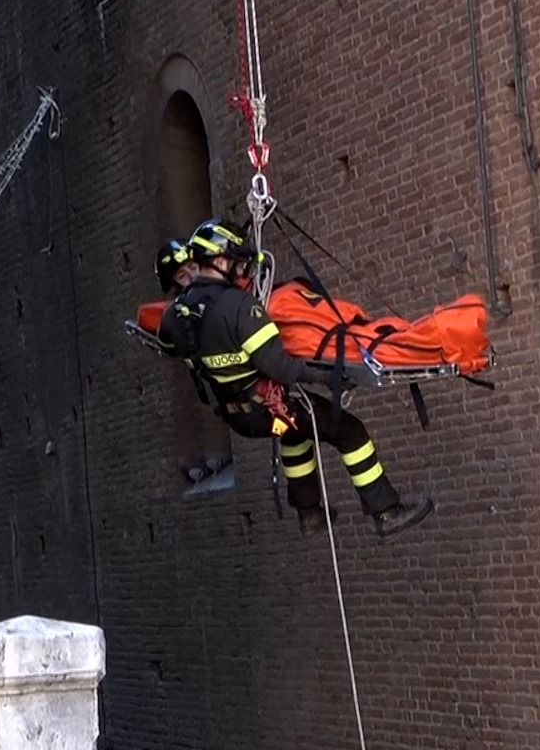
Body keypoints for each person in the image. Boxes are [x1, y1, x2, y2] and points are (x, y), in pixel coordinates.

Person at [154, 219, 434, 538]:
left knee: (292, 433)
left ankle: (309, 513)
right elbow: (281, 368)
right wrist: (330, 377)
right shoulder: (240, 306)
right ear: (219, 261)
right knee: (349, 431)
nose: (242, 272)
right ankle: (386, 512)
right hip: (270, 409)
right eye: (237, 264)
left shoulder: (174, 315)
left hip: (241, 420)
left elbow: (167, 345)